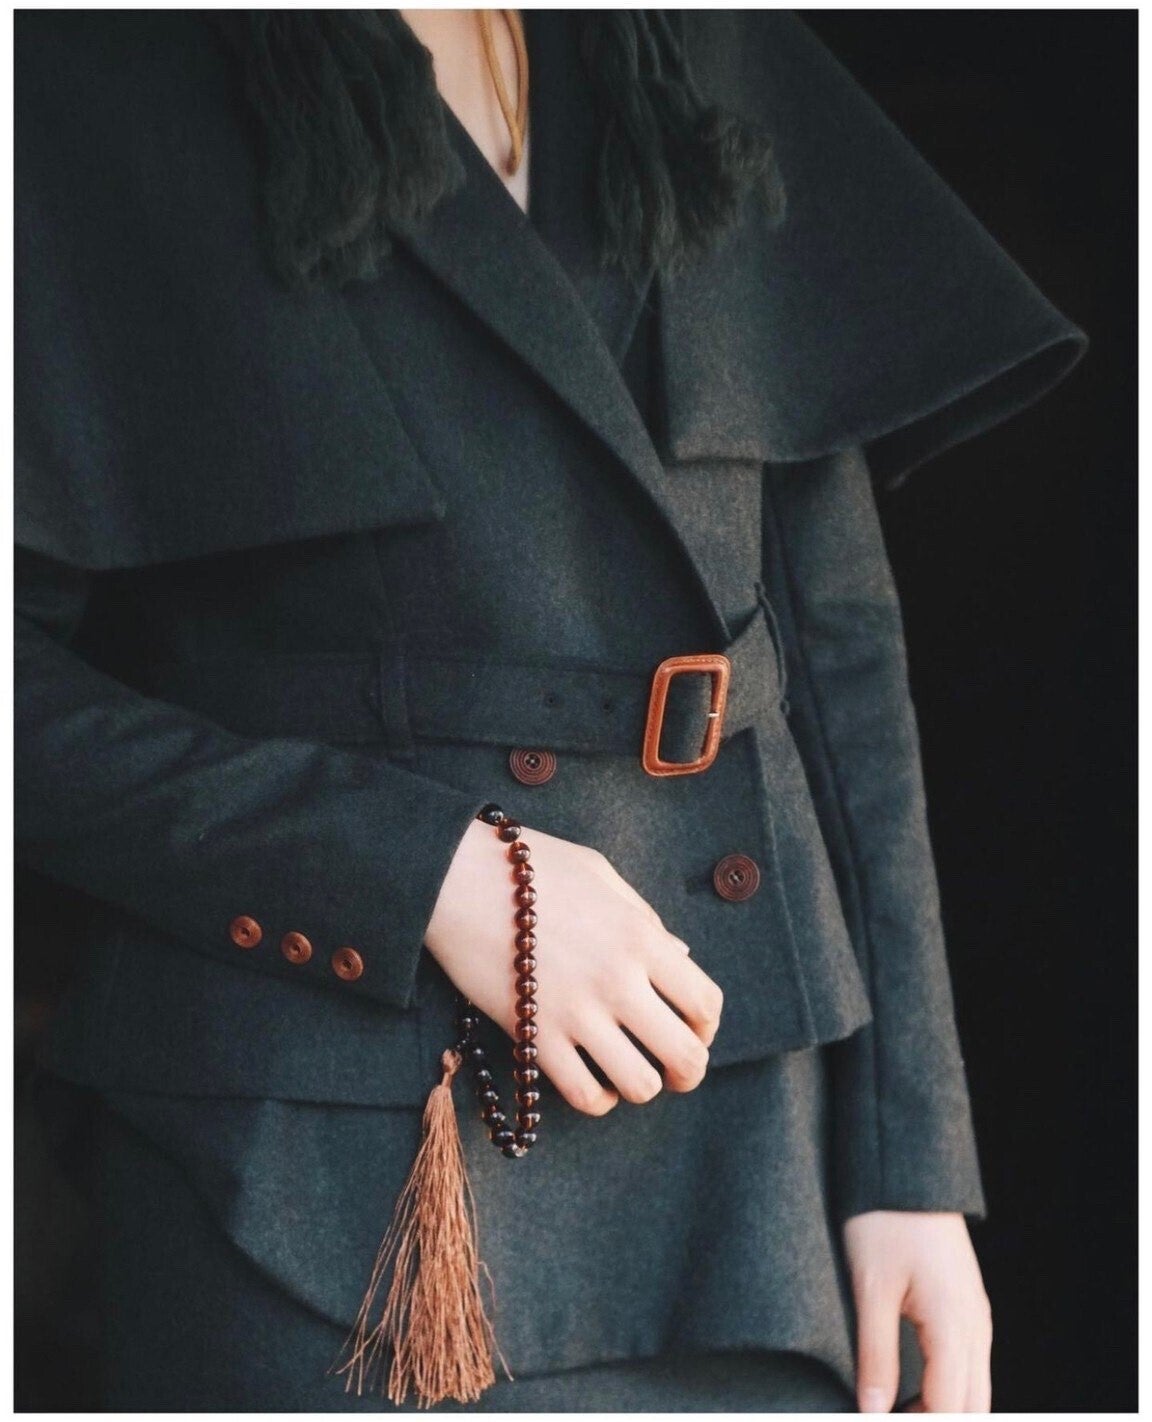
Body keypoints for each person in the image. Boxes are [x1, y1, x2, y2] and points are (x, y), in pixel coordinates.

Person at [15, 9, 1087, 1413]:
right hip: (328, 1183)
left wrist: (907, 1162)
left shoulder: (688, 38)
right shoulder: (96, 59)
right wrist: (424, 874)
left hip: (752, 1158)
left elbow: (830, 648)